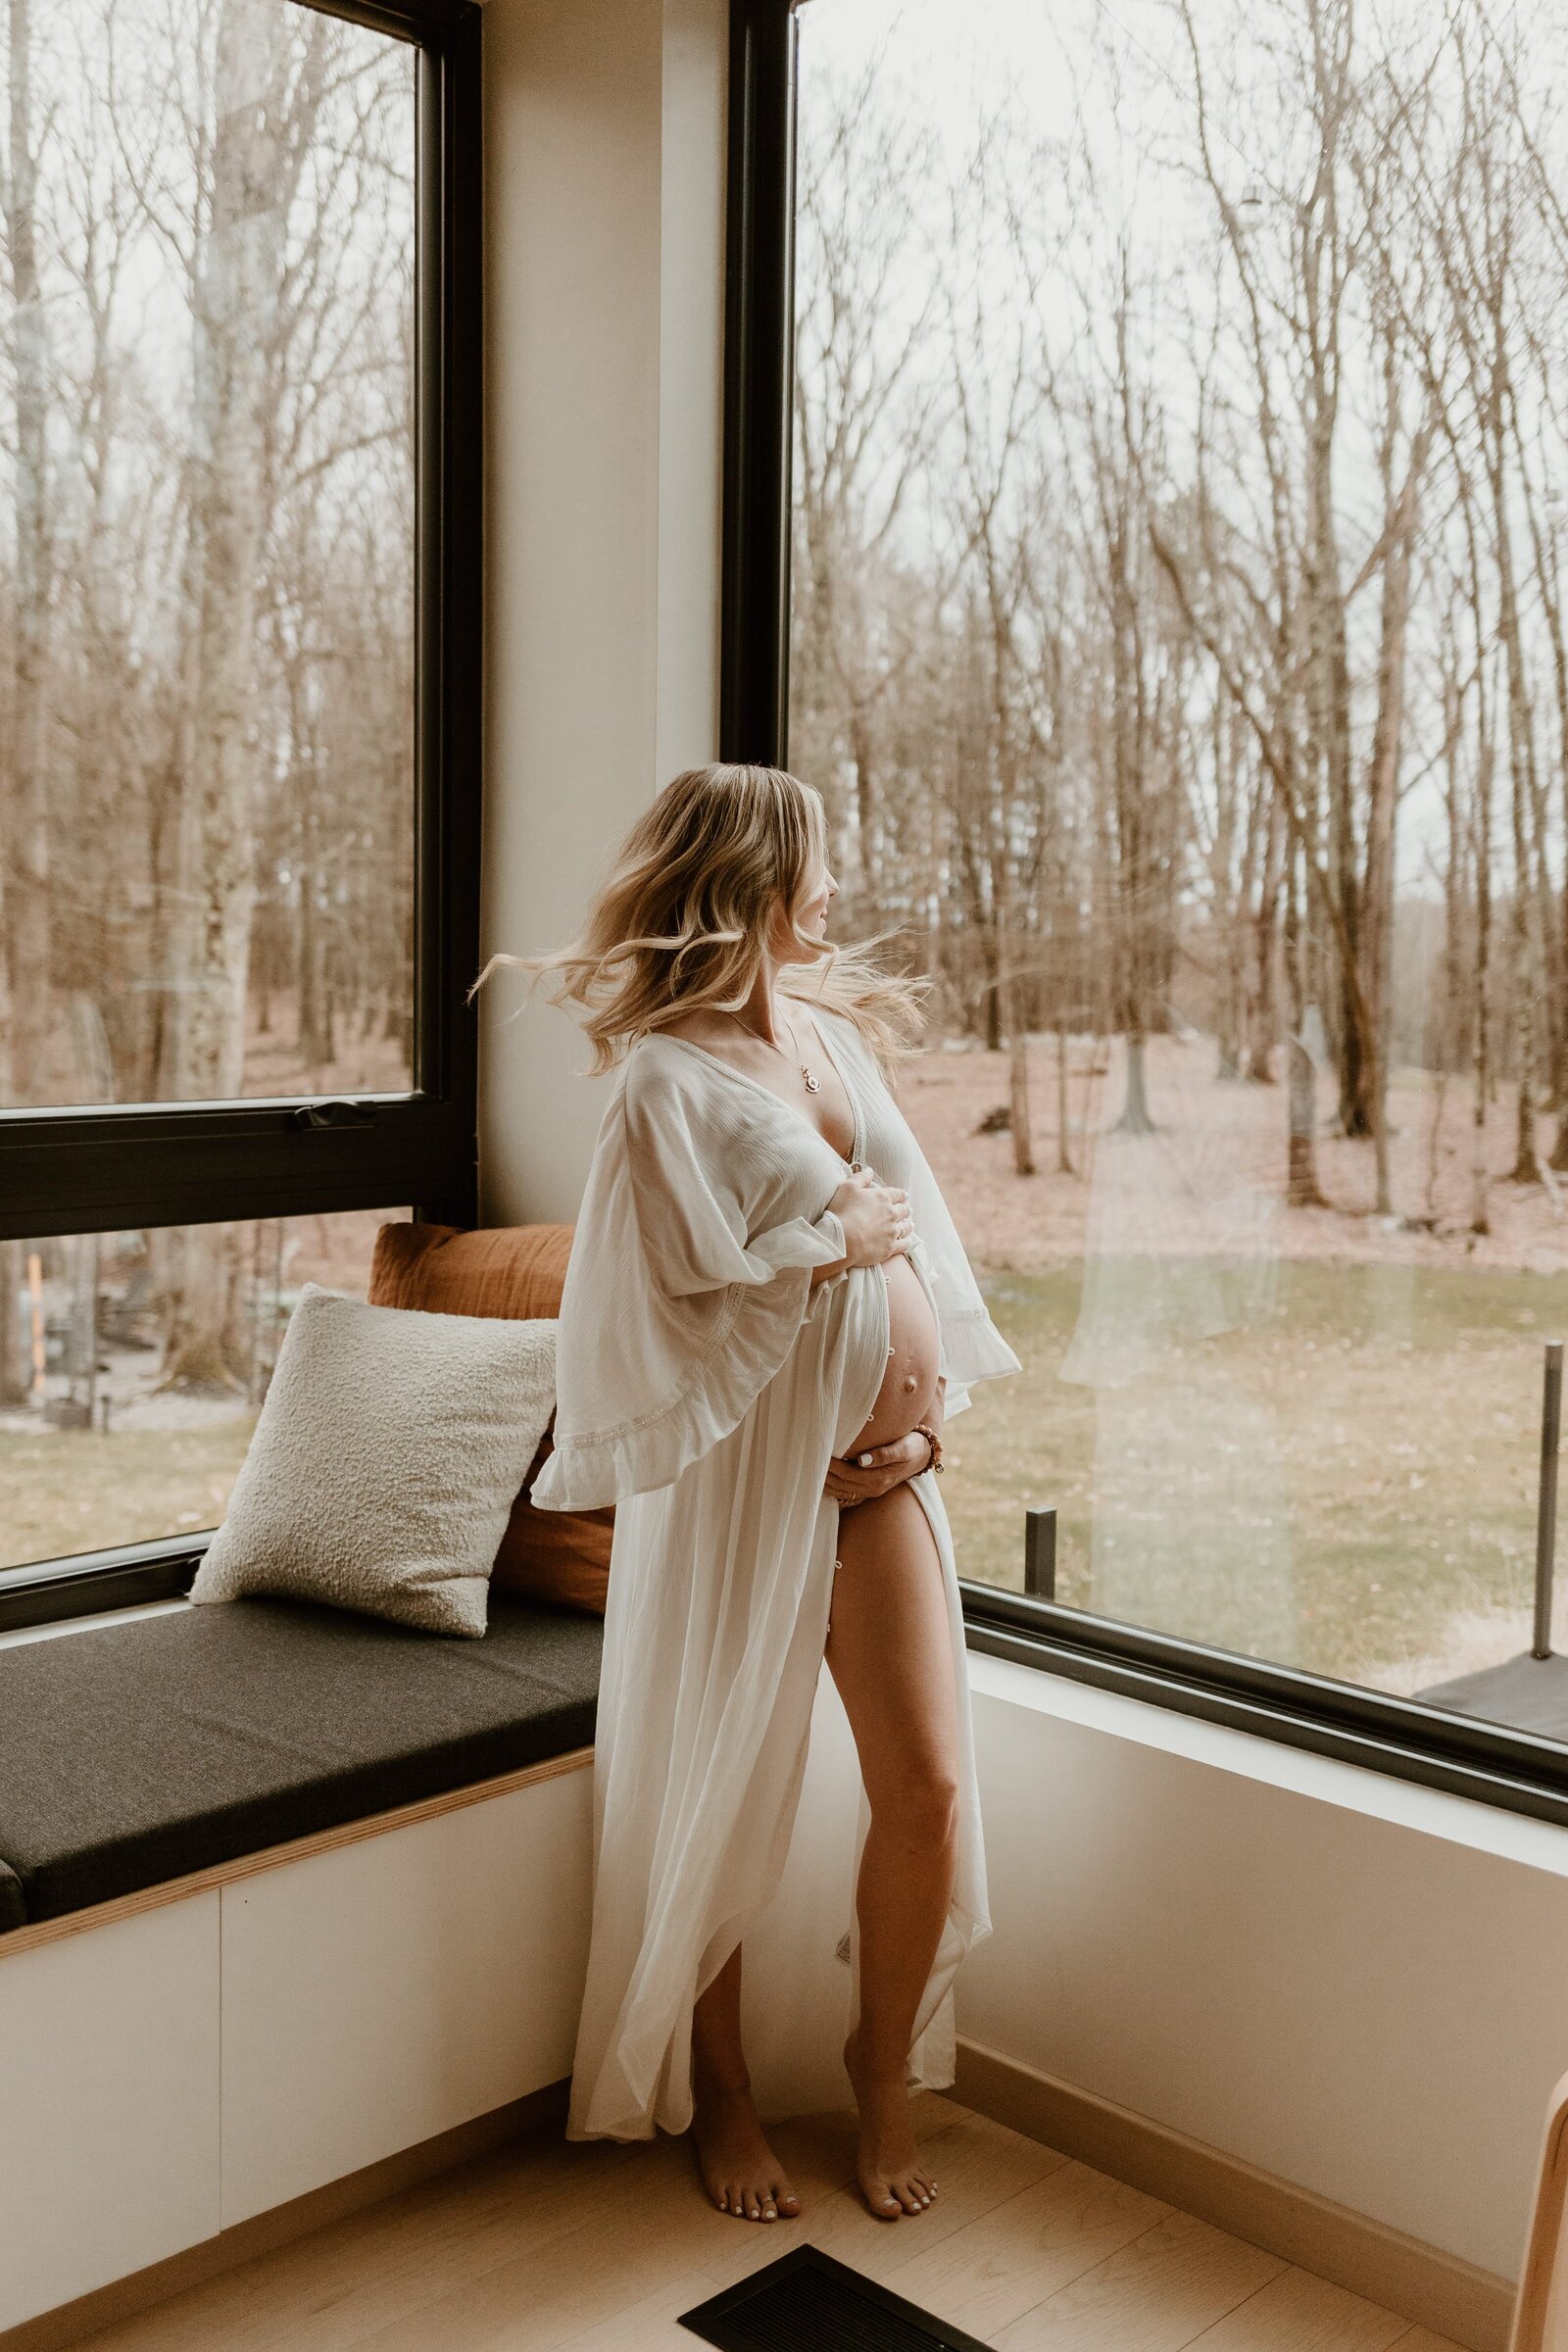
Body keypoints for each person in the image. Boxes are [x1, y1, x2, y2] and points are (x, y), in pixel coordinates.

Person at [488, 762, 1018, 2226]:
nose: (834, 890)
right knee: (720, 1790)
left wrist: (926, 1406)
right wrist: (822, 1244)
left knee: (925, 1786)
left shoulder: (831, 1035)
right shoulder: (665, 1079)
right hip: (745, 1489)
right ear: (747, 880)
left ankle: (880, 2065)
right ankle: (720, 2089)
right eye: (814, 864)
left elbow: (918, 1239)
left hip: (880, 1480)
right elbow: (652, 1296)